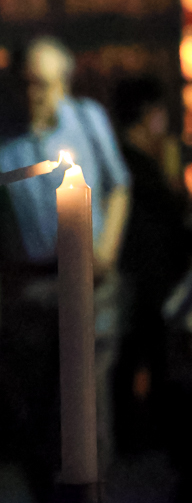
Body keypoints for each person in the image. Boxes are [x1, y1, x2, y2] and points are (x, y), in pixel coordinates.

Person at [0, 37, 130, 501]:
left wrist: (106, 248)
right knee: (36, 410)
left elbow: (117, 186)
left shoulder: (87, 119)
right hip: (31, 289)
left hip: (89, 283)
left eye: (43, 83)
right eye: (24, 82)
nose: (33, 92)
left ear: (63, 83)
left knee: (86, 410)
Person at [110, 77, 191, 452]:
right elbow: (169, 214)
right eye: (159, 112)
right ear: (146, 114)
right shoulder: (130, 163)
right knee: (139, 354)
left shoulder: (146, 158)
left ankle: (144, 432)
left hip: (157, 275)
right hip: (142, 276)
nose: (165, 121)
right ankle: (139, 436)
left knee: (149, 354)